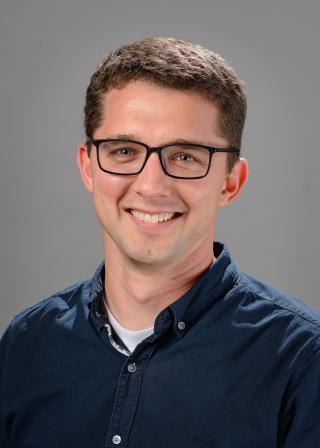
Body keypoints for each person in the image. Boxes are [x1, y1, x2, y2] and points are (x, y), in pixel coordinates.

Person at [0, 37, 319, 448]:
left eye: (185, 156)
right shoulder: (26, 345)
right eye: (124, 151)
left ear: (230, 182)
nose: (151, 186)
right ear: (88, 168)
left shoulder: (302, 360)